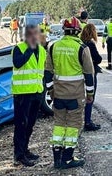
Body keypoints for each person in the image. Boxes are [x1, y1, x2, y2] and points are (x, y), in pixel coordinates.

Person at [45, 17, 94, 169]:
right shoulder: (82, 48)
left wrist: (51, 90)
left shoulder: (53, 46)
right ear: (77, 31)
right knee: (73, 125)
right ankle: (67, 159)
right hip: (75, 96)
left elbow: (47, 73)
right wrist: (90, 94)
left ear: (64, 31)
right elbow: (88, 74)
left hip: (58, 95)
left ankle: (56, 159)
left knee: (59, 124)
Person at [11, 25, 46, 167]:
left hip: (37, 92)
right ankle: (18, 155)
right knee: (21, 124)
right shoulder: (19, 48)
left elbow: (43, 70)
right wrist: (30, 49)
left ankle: (25, 150)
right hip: (22, 93)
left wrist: (47, 88)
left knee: (30, 124)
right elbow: (18, 63)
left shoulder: (42, 50)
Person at [81, 24, 102, 131]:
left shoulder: (80, 43)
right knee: (90, 97)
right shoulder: (90, 44)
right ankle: (88, 121)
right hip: (90, 72)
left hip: (79, 73)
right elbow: (98, 59)